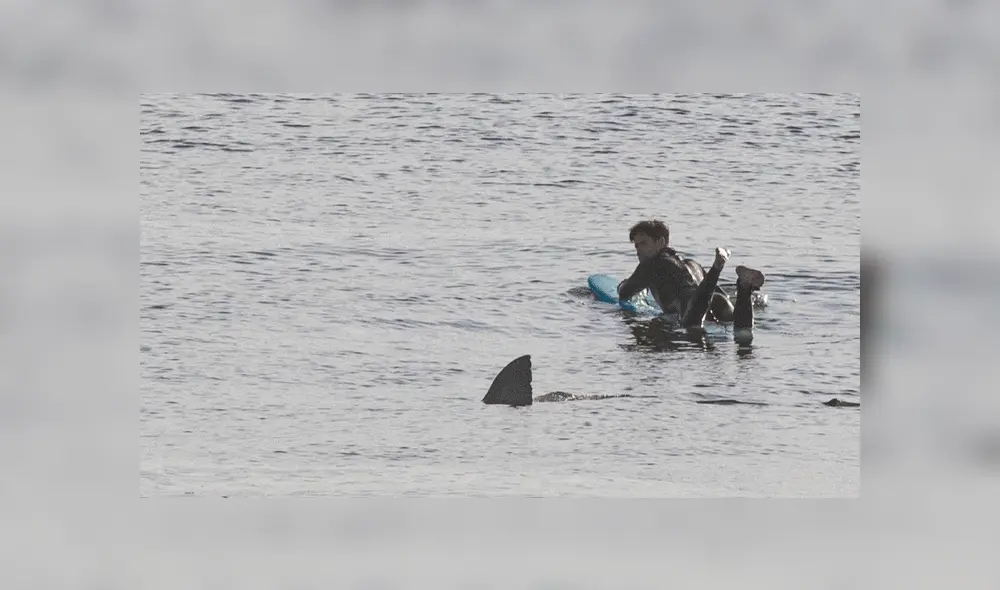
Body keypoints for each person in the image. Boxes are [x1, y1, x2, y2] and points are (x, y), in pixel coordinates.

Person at [616, 219, 766, 343]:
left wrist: (621, 284)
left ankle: (717, 267)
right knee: (742, 329)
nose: (638, 250)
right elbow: (721, 293)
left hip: (694, 307)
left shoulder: (650, 265)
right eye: (636, 245)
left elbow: (625, 291)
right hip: (718, 300)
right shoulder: (691, 263)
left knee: (691, 324)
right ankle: (744, 287)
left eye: (643, 243)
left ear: (661, 242)